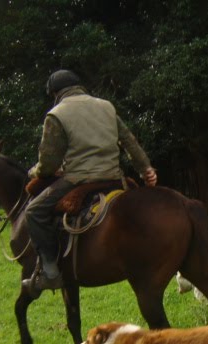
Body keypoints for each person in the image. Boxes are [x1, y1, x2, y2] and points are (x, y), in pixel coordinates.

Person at [22, 69, 157, 294]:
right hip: (114, 178)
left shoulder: (56, 114)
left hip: (78, 179)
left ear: (55, 93)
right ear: (79, 86)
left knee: (33, 212)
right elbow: (129, 141)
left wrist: (33, 172)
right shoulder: (106, 106)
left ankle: (50, 273)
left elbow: (48, 164)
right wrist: (146, 169)